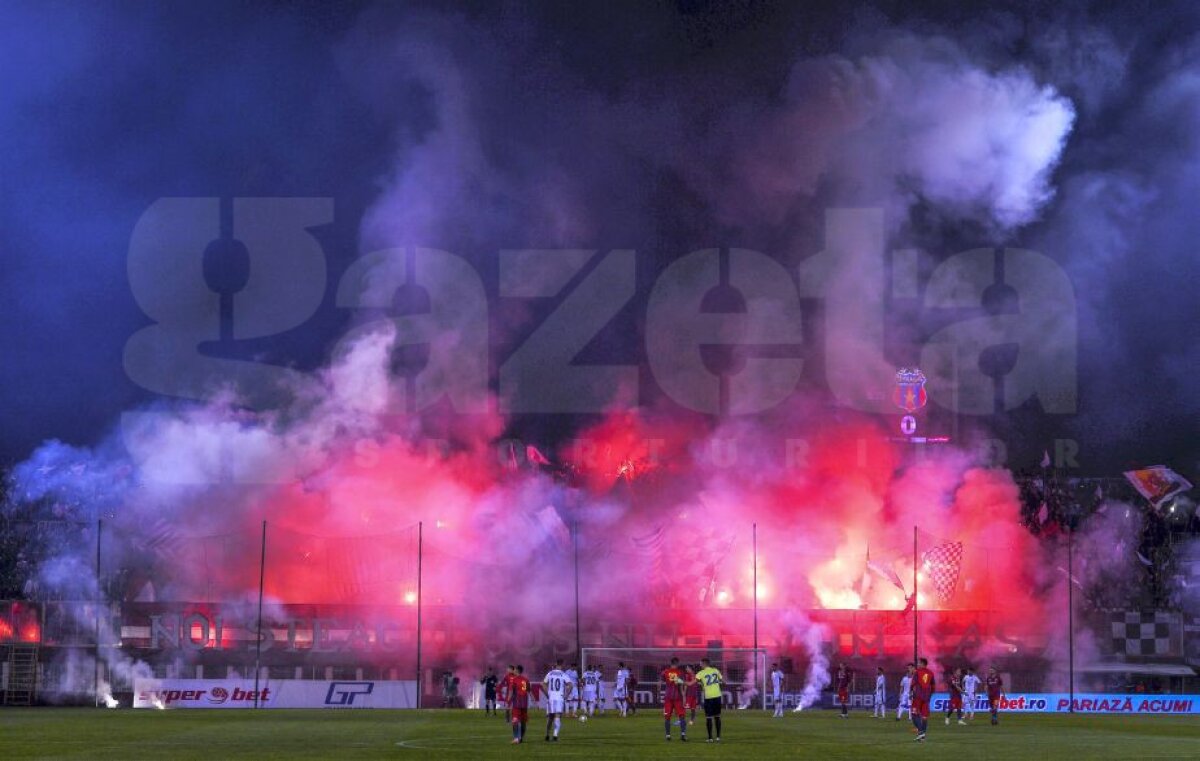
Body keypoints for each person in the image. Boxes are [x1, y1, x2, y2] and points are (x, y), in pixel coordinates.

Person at [695, 657, 724, 743]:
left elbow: (692, 682)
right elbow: (723, 681)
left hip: (709, 697)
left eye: (700, 663)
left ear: (704, 664)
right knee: (717, 716)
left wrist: (682, 682)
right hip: (717, 696)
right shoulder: (715, 670)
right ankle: (718, 737)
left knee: (709, 718)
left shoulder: (701, 673)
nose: (700, 665)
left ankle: (710, 738)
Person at [661, 657, 688, 741]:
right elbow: (681, 685)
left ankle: (668, 736)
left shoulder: (665, 672)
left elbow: (661, 682)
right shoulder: (680, 672)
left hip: (668, 697)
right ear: (677, 663)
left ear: (671, 663)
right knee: (682, 716)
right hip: (677, 697)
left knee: (667, 716)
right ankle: (683, 735)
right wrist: (684, 697)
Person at [542, 660, 568, 742]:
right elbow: (570, 685)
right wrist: (566, 695)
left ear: (556, 664)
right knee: (558, 716)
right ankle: (555, 736)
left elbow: (543, 684)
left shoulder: (550, 673)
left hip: (551, 698)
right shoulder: (563, 674)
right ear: (562, 665)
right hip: (559, 698)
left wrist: (547, 695)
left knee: (550, 717)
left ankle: (547, 735)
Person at [911, 657, 935, 742]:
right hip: (926, 697)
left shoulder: (917, 672)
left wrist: (911, 692)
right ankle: (922, 738)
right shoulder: (931, 673)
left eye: (919, 663)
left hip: (918, 697)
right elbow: (933, 686)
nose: (918, 664)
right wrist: (930, 695)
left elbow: (913, 684)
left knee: (914, 715)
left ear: (922, 664)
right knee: (924, 717)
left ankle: (921, 732)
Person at [509, 665, 531, 744]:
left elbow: (511, 692)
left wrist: (508, 701)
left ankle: (516, 738)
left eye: (514, 669)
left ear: (517, 670)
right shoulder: (526, 680)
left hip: (517, 703)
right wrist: (535, 702)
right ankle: (521, 738)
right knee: (523, 722)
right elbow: (529, 691)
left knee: (515, 720)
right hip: (524, 703)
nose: (513, 671)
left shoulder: (514, 680)